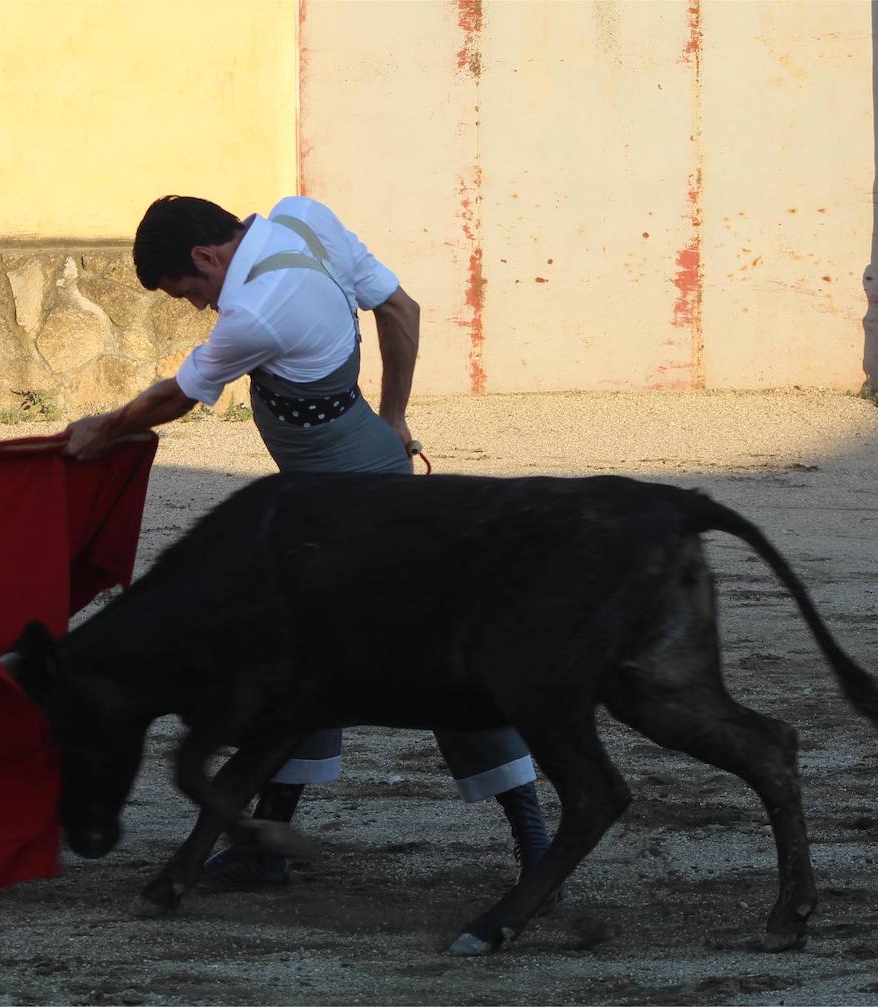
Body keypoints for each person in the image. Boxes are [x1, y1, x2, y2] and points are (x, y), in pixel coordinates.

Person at [63, 194, 553, 892]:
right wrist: (393, 414)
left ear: (207, 256)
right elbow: (401, 309)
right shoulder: (303, 218)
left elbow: (176, 396)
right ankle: (268, 847)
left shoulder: (259, 309)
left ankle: (537, 845)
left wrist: (106, 428)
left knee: (434, 658)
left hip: (357, 502)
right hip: (330, 489)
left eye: (190, 290)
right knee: (297, 655)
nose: (200, 305)